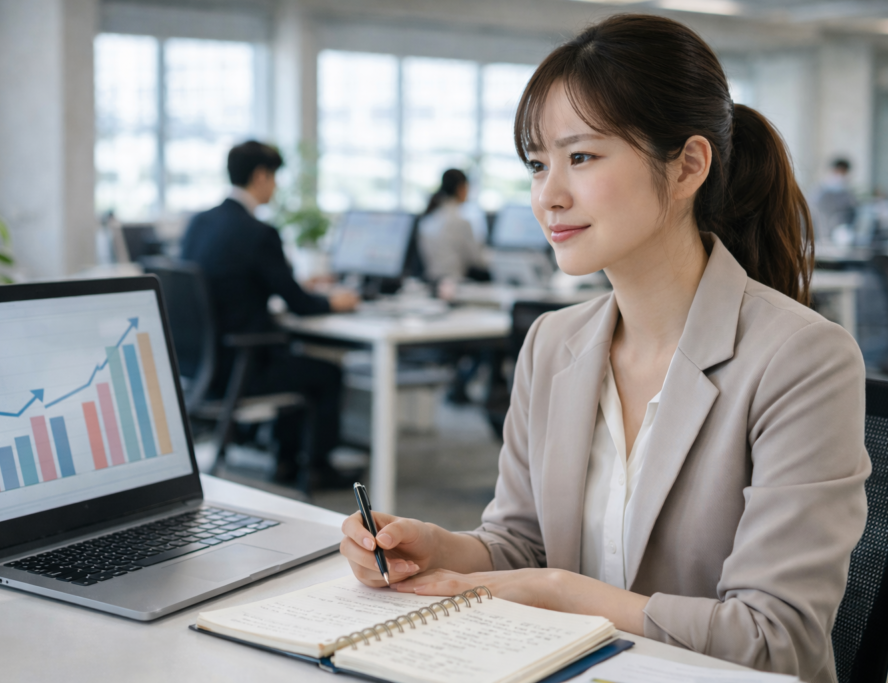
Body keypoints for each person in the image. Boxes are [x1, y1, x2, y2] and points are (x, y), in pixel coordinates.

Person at [340, 15, 869, 682]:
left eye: (581, 157)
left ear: (688, 167)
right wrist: (436, 545)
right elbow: (520, 544)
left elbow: (774, 640)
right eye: (537, 164)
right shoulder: (552, 343)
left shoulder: (802, 359)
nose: (548, 196)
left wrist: (563, 593)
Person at [181, 140, 359, 488]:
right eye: (275, 178)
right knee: (326, 374)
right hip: (240, 370)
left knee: (292, 357)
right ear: (261, 176)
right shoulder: (258, 232)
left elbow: (237, 281)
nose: (276, 187)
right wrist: (335, 302)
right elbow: (300, 305)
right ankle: (317, 468)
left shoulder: (199, 223)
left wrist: (298, 284)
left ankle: (286, 464)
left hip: (198, 368)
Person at [417, 169, 490, 282]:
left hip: (430, 281)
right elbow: (477, 260)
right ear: (461, 188)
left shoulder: (429, 217)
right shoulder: (461, 221)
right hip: (455, 284)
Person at [812, 158, 858, 244]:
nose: (841, 176)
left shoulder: (847, 193)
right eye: (839, 172)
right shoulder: (820, 191)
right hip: (820, 237)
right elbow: (813, 213)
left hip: (840, 237)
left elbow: (852, 213)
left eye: (844, 173)